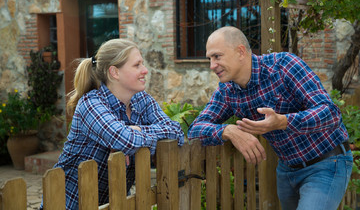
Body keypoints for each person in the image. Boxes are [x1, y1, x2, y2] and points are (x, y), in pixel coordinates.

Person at [188, 26, 353, 210]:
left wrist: (284, 121)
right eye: (209, 59)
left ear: (240, 52)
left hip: (327, 162)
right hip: (287, 170)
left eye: (217, 56)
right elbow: (195, 129)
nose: (212, 65)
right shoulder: (227, 91)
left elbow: (331, 113)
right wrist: (228, 131)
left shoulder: (283, 66)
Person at [41, 39, 184, 209]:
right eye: (137, 65)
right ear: (114, 72)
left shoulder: (142, 100)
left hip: (114, 203)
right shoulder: (91, 104)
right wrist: (145, 137)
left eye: (142, 64)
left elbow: (177, 133)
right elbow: (125, 140)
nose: (145, 70)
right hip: (69, 204)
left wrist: (137, 130)